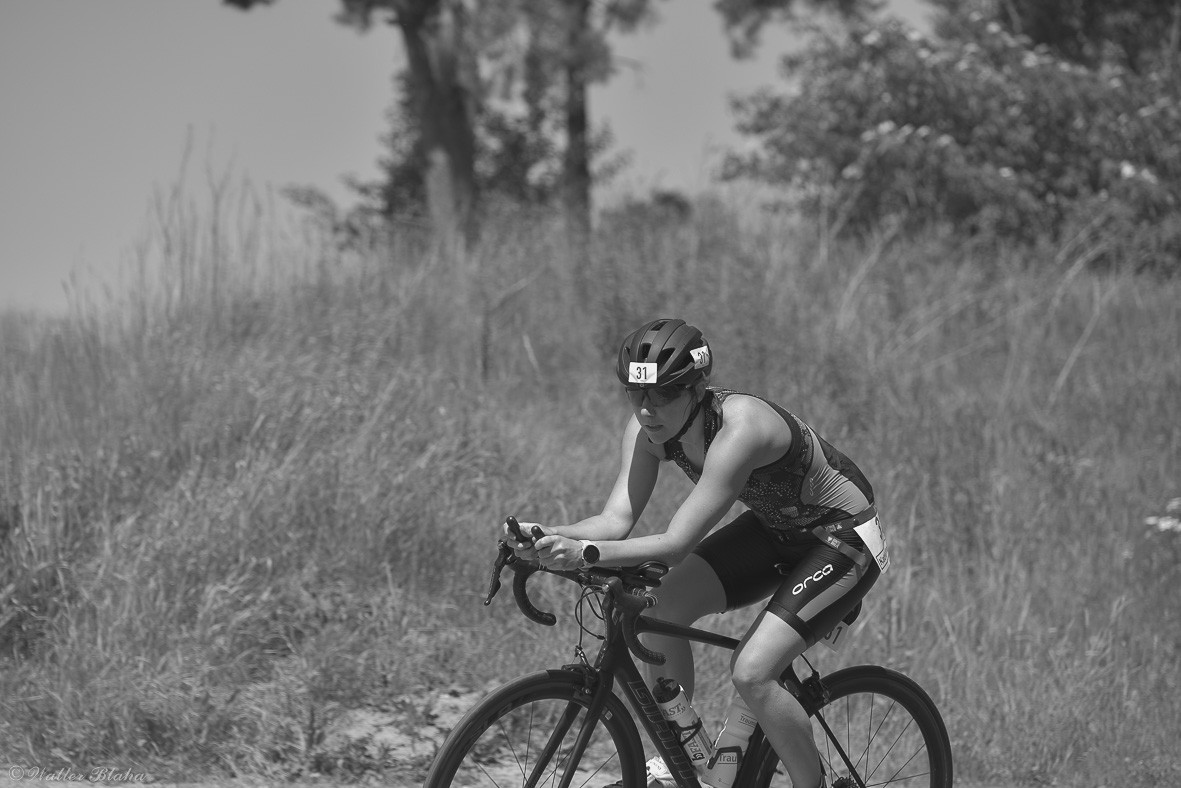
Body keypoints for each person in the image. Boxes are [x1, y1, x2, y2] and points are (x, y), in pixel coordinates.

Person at [505, 318, 888, 788]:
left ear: (698, 386)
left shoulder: (741, 427)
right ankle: (682, 761)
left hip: (842, 539)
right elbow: (614, 521)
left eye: (663, 394)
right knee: (659, 607)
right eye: (635, 394)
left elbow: (675, 544)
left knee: (752, 672)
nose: (647, 409)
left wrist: (583, 553)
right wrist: (547, 535)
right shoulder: (646, 430)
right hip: (775, 529)